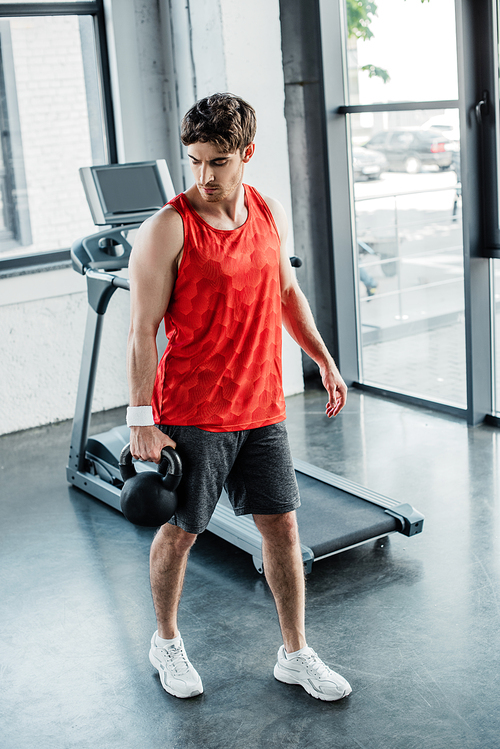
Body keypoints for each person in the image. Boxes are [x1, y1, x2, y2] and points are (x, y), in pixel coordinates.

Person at [126, 93, 352, 702]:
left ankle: (295, 652)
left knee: (281, 527)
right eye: (194, 160)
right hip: (195, 409)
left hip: (262, 404)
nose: (205, 175)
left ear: (246, 154)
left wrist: (324, 361)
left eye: (219, 161)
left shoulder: (268, 212)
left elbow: (286, 295)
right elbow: (141, 328)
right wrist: (141, 420)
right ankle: (166, 641)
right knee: (183, 530)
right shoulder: (169, 227)